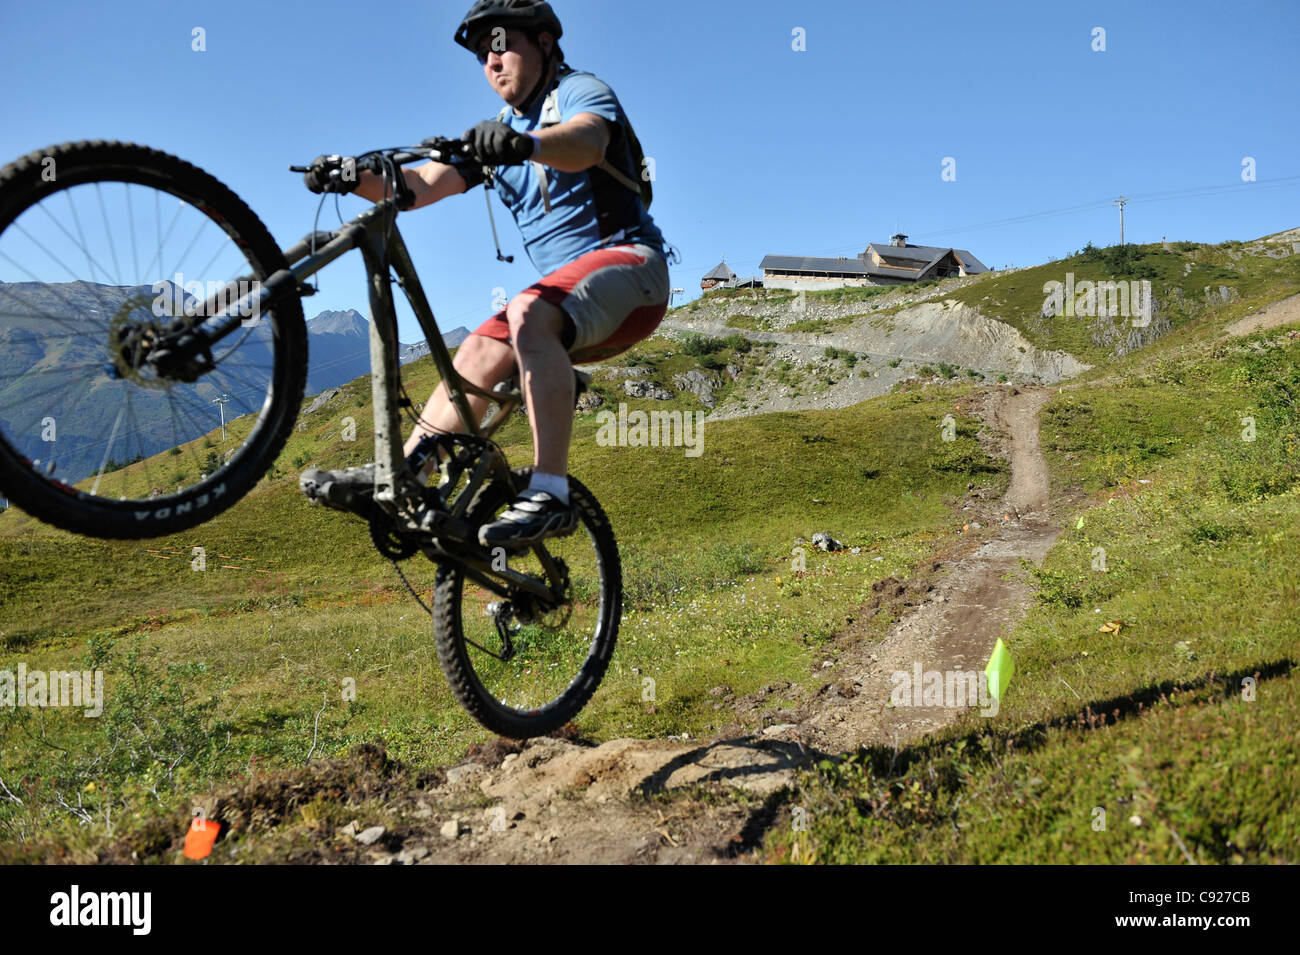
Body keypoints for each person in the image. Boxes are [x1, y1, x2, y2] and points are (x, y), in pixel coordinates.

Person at [299, 0, 672, 547]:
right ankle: (405, 476)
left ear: (544, 43)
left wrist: (528, 145)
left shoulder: (577, 92)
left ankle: (551, 492)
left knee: (526, 311)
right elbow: (418, 188)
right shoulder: (497, 132)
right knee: (475, 351)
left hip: (634, 272)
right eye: (481, 54)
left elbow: (589, 141)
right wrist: (351, 175)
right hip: (568, 301)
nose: (491, 61)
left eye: (501, 43)